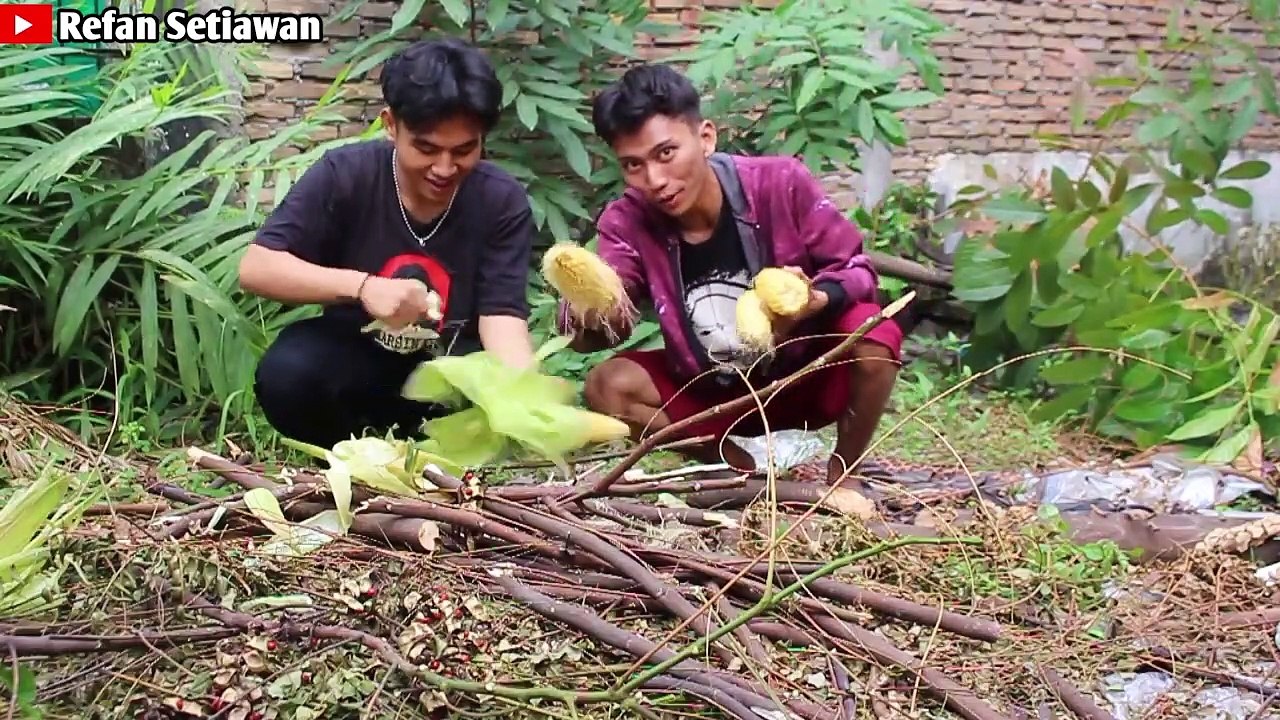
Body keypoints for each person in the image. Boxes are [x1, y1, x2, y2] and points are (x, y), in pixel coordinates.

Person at [562, 63, 903, 484]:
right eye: (633, 166)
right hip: (711, 394)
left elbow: (857, 269)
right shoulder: (626, 222)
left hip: (802, 376)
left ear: (705, 137)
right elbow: (607, 308)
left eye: (666, 153)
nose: (655, 180)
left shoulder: (779, 183)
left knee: (874, 330)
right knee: (607, 385)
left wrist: (814, 300)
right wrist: (588, 313)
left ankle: (842, 472)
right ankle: (736, 467)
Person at [238, 37, 537, 448]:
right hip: (358, 360)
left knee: (482, 397)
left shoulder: (500, 199)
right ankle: (347, 449)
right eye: (427, 149)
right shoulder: (345, 175)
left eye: (465, 150)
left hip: (449, 370)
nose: (445, 168)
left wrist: (524, 396)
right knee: (289, 373)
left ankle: (442, 444)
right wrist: (364, 287)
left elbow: (502, 315)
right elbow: (257, 267)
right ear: (391, 124)